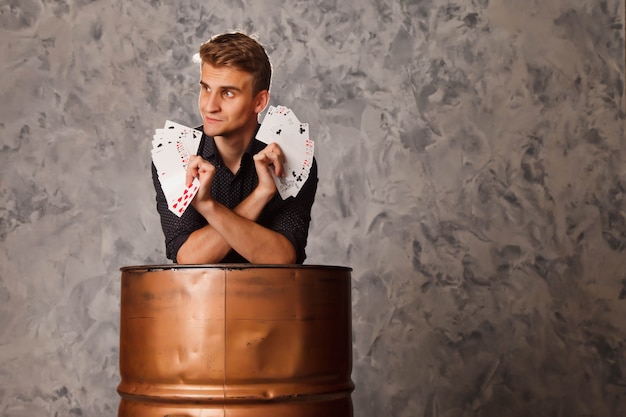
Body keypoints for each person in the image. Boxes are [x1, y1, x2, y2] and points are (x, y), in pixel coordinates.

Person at [152, 31, 318, 265]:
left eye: (227, 93)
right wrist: (258, 197)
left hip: (271, 299)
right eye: (206, 88)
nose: (210, 106)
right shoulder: (175, 154)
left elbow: (283, 258)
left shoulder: (293, 160)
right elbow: (188, 257)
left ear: (259, 101)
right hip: (199, 300)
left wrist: (209, 207)